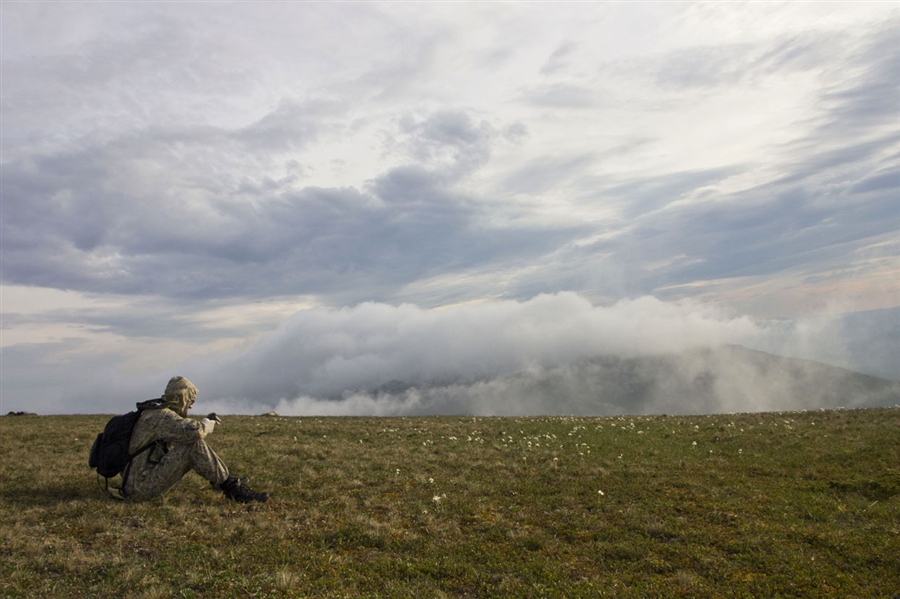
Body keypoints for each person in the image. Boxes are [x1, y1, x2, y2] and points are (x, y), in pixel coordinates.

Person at [122, 376, 269, 503]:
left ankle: (225, 481)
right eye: (190, 400)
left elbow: (181, 430)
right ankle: (232, 488)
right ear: (182, 398)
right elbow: (195, 431)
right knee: (193, 445)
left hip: (134, 484)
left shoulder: (153, 412)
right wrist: (206, 424)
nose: (191, 406)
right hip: (140, 488)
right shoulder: (161, 416)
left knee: (189, 442)